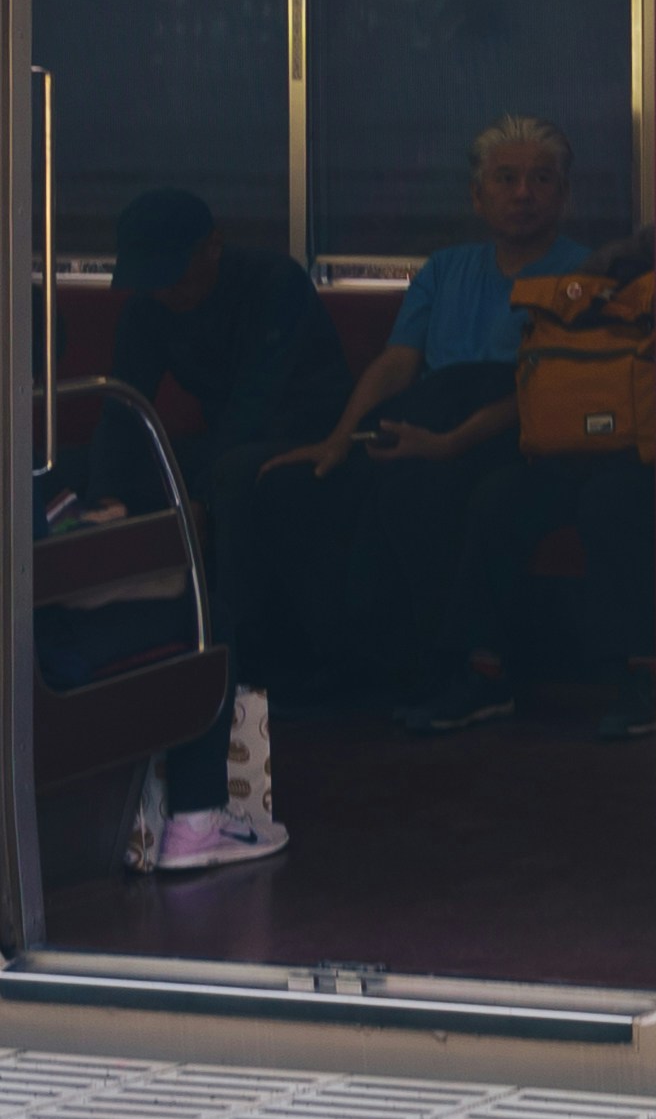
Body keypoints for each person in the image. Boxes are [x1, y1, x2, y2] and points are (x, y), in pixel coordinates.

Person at [274, 115, 590, 726]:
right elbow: (397, 364)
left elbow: (550, 390)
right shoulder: (444, 269)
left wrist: (449, 443)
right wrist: (340, 438)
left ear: (564, 195)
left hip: (527, 430)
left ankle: (472, 670)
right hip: (435, 414)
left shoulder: (585, 273)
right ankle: (357, 662)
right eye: (506, 179)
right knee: (324, 483)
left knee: (436, 487)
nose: (523, 192)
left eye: (541, 179)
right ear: (478, 196)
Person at [96, 186, 343, 870]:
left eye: (177, 273)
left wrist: (194, 493)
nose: (167, 291)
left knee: (230, 478)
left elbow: (260, 399)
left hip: (308, 427)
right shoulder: (149, 305)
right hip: (225, 436)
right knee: (114, 473)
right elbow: (126, 403)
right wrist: (107, 496)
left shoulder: (273, 283)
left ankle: (231, 650)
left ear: (213, 247)